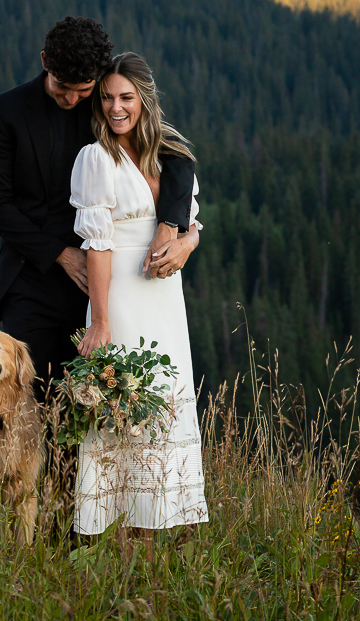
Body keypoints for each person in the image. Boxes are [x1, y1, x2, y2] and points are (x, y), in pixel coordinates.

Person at [0, 17, 195, 400]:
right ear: (45, 61)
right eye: (64, 89)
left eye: (83, 90)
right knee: (24, 398)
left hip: (103, 280)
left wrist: (174, 224)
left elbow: (172, 154)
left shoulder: (106, 101)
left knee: (91, 406)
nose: (73, 100)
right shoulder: (7, 111)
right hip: (32, 277)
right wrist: (61, 254)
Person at [70, 52, 208, 538]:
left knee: (165, 403)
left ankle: (158, 524)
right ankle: (114, 530)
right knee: (121, 410)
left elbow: (192, 226)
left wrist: (187, 243)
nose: (115, 108)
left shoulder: (170, 156)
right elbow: (98, 244)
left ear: (145, 100)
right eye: (107, 98)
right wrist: (101, 321)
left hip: (166, 303)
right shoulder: (96, 157)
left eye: (126, 97)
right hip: (121, 297)